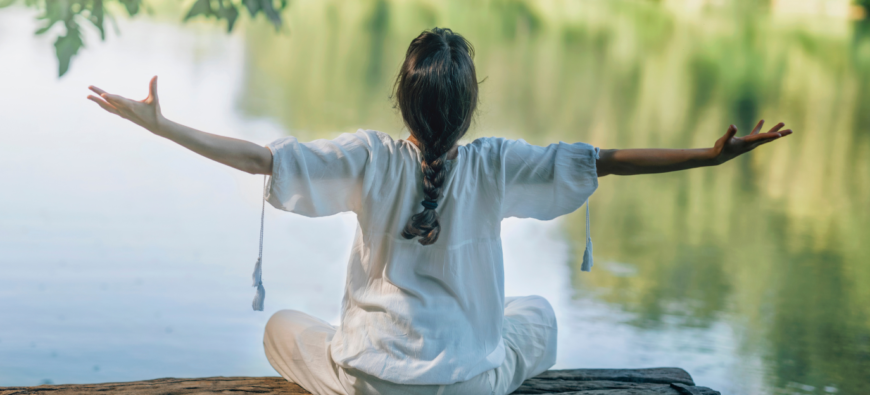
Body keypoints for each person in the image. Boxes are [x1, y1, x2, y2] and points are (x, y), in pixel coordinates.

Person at [87, 28, 791, 395]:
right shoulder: (497, 163)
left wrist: (163, 126)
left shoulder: (367, 157)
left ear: (402, 98)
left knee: (282, 328)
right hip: (468, 386)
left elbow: (260, 159)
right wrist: (707, 155)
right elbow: (604, 159)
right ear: (469, 105)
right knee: (539, 316)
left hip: (370, 382)